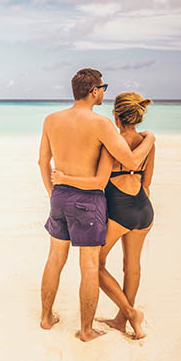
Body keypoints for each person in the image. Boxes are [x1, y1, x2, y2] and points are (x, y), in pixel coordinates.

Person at [38, 69, 155, 342]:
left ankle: (46, 318)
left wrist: (52, 192)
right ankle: (87, 330)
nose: (104, 92)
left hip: (59, 195)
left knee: (55, 258)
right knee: (90, 265)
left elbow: (43, 162)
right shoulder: (100, 124)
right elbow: (131, 161)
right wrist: (150, 138)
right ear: (94, 91)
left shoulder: (51, 120)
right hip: (88, 200)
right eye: (102, 87)